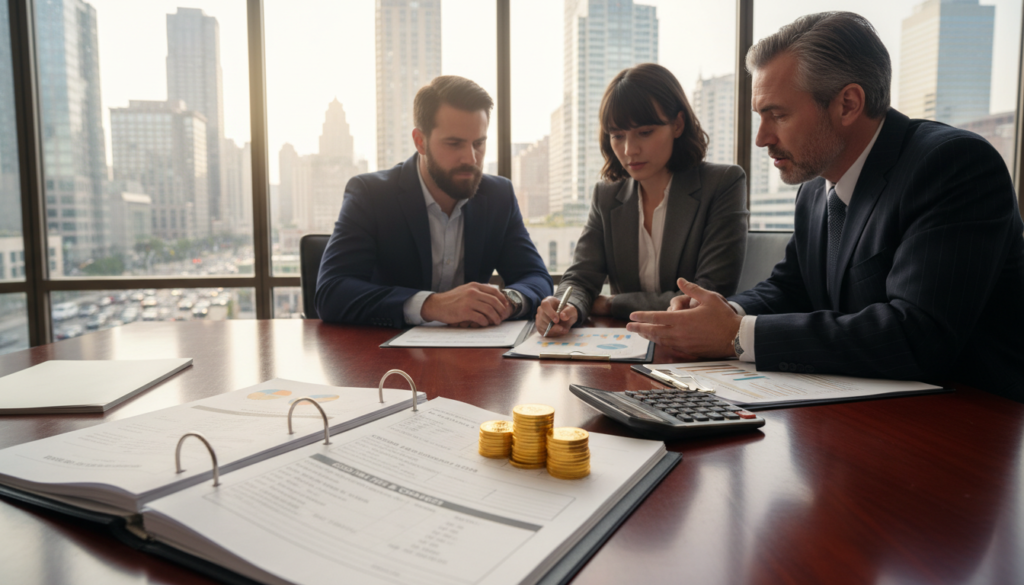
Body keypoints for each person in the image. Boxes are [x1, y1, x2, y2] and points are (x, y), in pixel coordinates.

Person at [627, 12, 1024, 401]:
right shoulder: (817, 189)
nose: (762, 138)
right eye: (759, 117)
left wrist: (736, 335)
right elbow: (792, 287)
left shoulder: (952, 164)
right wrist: (718, 312)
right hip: (864, 410)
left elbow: (916, 335)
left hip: (970, 422)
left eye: (777, 115)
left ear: (848, 104)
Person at [315, 76, 552, 327]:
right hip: (388, 359)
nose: (470, 158)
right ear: (420, 141)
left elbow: (535, 277)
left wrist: (507, 301)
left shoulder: (498, 195)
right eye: (454, 144)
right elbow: (332, 292)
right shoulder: (370, 195)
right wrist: (432, 305)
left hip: (475, 356)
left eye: (479, 143)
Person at [536, 63, 748, 337]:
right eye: (617, 136)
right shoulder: (607, 196)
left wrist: (612, 304)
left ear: (678, 124)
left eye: (645, 132)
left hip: (695, 350)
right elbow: (580, 278)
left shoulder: (723, 184)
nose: (629, 150)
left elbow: (705, 296)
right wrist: (566, 306)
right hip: (625, 347)